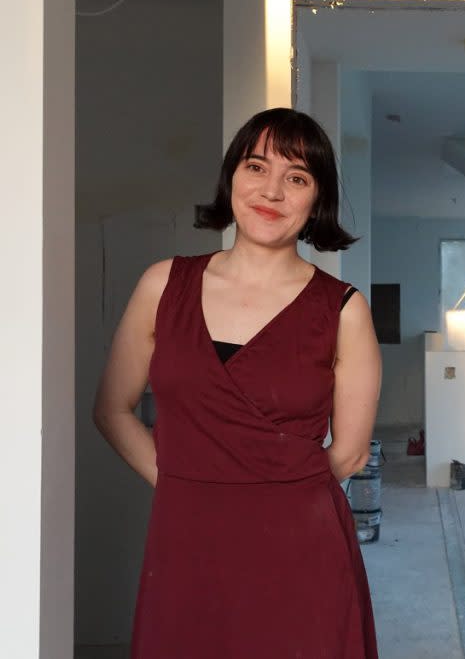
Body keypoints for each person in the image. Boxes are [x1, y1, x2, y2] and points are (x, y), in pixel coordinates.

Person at [93, 108, 381, 658]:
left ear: (316, 200)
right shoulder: (163, 284)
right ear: (231, 178)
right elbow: (112, 409)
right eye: (256, 167)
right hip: (186, 542)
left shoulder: (342, 308)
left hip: (303, 550)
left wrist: (265, 495)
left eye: (296, 177)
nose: (271, 190)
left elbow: (348, 454)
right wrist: (189, 483)